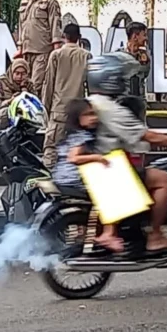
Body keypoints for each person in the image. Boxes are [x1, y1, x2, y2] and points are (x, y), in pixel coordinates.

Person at [87, 54, 167, 252]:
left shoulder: (91, 101)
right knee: (163, 179)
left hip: (98, 166)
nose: (124, 82)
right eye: (121, 77)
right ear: (110, 79)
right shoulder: (111, 108)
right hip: (110, 169)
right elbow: (147, 136)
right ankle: (155, 236)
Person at [52, 98, 122, 252]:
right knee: (111, 195)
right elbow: (74, 158)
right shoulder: (81, 136)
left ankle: (84, 231)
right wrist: (98, 158)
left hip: (62, 178)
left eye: (94, 114)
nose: (94, 118)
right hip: (73, 179)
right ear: (77, 118)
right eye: (88, 115)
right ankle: (108, 233)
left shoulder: (70, 135)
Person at [41, 23, 90, 167]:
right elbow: (90, 86)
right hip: (79, 112)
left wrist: (47, 108)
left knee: (51, 149)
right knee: (76, 150)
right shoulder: (86, 56)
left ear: (64, 37)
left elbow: (49, 83)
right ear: (79, 38)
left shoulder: (56, 55)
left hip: (59, 110)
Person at [16, 0, 63, 95]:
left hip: (42, 51)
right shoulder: (24, 2)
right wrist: (20, 46)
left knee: (36, 85)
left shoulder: (50, 2)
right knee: (24, 83)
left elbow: (55, 25)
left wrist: (56, 50)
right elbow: (21, 25)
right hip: (26, 51)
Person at [123, 22, 150, 98]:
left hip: (139, 101)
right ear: (135, 36)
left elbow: (145, 74)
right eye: (144, 35)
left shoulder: (144, 57)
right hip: (124, 101)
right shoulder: (120, 56)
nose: (146, 38)